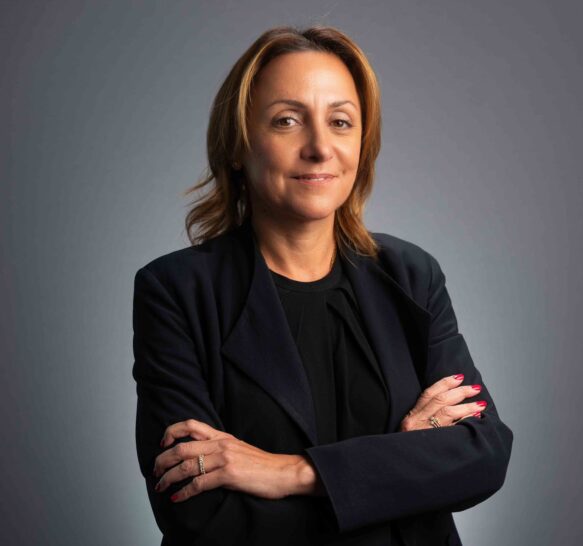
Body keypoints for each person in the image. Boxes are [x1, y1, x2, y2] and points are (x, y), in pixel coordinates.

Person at [132, 24, 513, 546]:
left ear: (362, 143)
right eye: (287, 121)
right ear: (239, 144)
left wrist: (290, 472)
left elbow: (484, 453)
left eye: (340, 122)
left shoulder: (412, 275)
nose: (319, 148)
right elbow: (200, 515)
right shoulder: (175, 291)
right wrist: (402, 468)